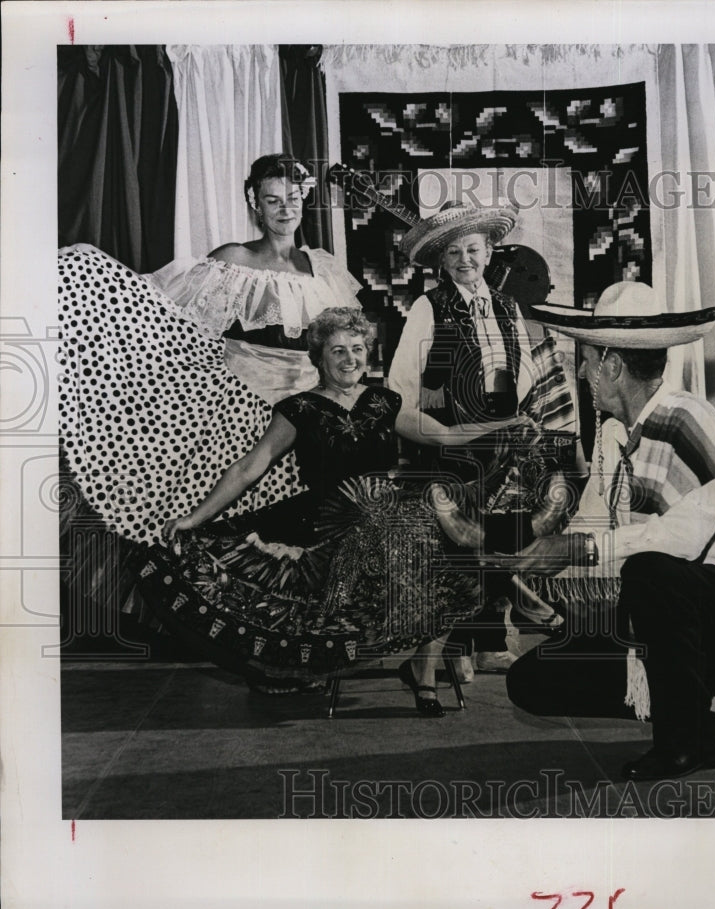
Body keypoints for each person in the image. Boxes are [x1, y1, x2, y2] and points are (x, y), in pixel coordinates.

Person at [141, 306, 527, 715]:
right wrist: (195, 518)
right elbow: (248, 468)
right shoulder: (299, 409)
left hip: (387, 515)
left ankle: (425, 671)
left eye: (357, 349)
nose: (349, 359)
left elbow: (446, 436)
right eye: (338, 350)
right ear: (319, 358)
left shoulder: (384, 401)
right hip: (323, 525)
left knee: (458, 555)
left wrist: (508, 423)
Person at [498, 281, 715, 780]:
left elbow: (680, 542)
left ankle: (683, 742)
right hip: (659, 603)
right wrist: (533, 569)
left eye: (587, 359)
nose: (581, 371)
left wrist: (578, 547)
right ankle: (689, 709)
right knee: (531, 682)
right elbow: (591, 524)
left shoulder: (690, 419)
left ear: (612, 365)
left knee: (652, 574)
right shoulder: (614, 432)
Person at [59, 154, 363, 548]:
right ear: (255, 204)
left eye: (292, 197)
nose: (285, 208)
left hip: (310, 422)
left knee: (300, 542)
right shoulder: (236, 260)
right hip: (243, 415)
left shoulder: (325, 268)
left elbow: (347, 346)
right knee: (235, 534)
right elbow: (169, 317)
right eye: (272, 200)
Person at [388, 200, 578, 680]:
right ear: (441, 261)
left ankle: (481, 641)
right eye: (453, 252)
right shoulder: (428, 309)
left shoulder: (508, 307)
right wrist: (446, 436)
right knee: (460, 544)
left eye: (473, 249)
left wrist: (520, 425)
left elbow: (526, 381)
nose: (464, 260)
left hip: (504, 448)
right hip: (449, 447)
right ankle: (456, 645)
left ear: (490, 251)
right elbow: (405, 396)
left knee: (504, 534)